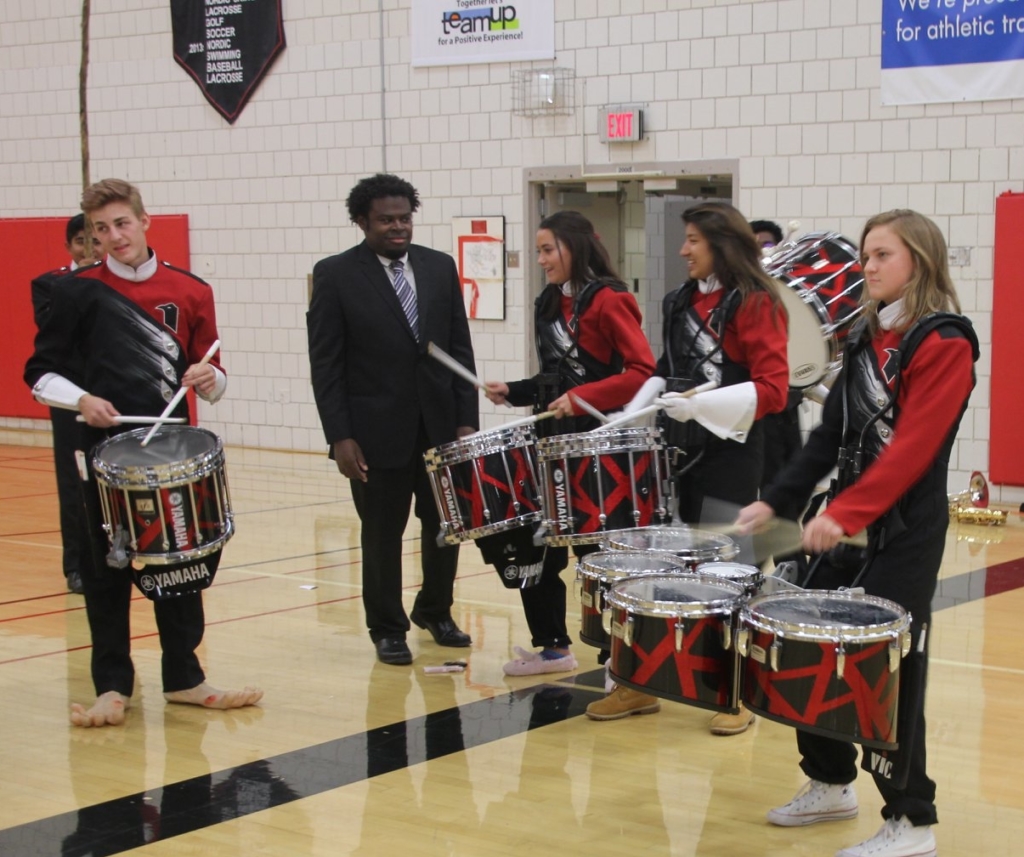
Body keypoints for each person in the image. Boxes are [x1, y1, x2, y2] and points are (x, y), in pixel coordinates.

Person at [736, 209, 978, 857]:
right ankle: (830, 780)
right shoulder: (867, 338)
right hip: (845, 515)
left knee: (889, 670)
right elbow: (828, 439)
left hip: (904, 531)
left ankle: (911, 818)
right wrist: (778, 502)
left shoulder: (945, 342)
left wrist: (848, 513)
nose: (866, 266)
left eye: (881, 255)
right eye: (865, 255)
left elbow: (913, 449)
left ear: (919, 262)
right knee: (805, 642)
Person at [24, 178, 263, 727]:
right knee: (103, 569)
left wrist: (210, 378)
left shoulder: (191, 289)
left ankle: (185, 678)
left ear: (144, 221)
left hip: (170, 454)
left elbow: (215, 377)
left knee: (180, 563)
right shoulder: (75, 291)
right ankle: (112, 687)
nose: (113, 236)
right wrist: (81, 399)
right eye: (101, 229)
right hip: (99, 451)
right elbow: (39, 374)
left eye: (122, 224)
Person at [584, 201, 789, 735]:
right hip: (673, 450)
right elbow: (664, 371)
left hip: (731, 452)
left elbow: (773, 389)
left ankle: (738, 693)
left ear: (721, 243)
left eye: (693, 240)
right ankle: (639, 682)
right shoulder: (678, 300)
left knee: (731, 572)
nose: (683, 250)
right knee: (652, 568)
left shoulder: (757, 302)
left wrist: (700, 406)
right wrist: (631, 412)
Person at [307, 173, 479, 666]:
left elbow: (459, 348)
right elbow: (326, 365)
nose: (398, 227)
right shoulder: (336, 275)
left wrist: (466, 420)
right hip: (373, 434)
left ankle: (435, 610)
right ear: (362, 221)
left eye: (404, 218)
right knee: (382, 534)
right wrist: (340, 436)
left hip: (439, 427)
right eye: (386, 220)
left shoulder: (439, 266)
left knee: (446, 527)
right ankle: (386, 627)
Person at [483, 210, 656, 677]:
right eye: (538, 251)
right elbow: (553, 378)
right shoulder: (547, 302)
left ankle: (615, 658)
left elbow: (642, 372)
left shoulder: (609, 300)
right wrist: (515, 391)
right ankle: (553, 648)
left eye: (547, 250)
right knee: (535, 548)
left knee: (595, 558)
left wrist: (582, 399)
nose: (540, 260)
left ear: (574, 247)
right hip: (549, 445)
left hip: (597, 446)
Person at [30, 214, 97, 594]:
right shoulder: (49, 285)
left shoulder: (116, 284)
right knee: (73, 481)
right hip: (71, 398)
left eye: (95, 241)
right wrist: (83, 281)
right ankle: (76, 565)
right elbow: (58, 334)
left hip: (111, 395)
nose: (89, 249)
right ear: (68, 246)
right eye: (81, 242)